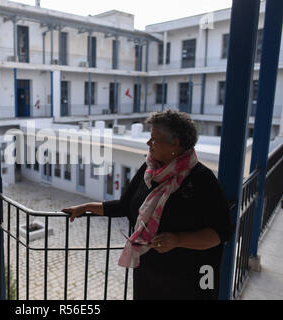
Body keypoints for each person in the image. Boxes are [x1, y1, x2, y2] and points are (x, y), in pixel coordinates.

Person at [62, 110, 234, 300]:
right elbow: (123, 205)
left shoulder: (202, 179)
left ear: (175, 143)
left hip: (186, 280)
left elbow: (220, 233)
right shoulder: (150, 169)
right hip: (148, 276)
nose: (148, 143)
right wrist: (86, 207)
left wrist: (177, 239)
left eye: (154, 139)